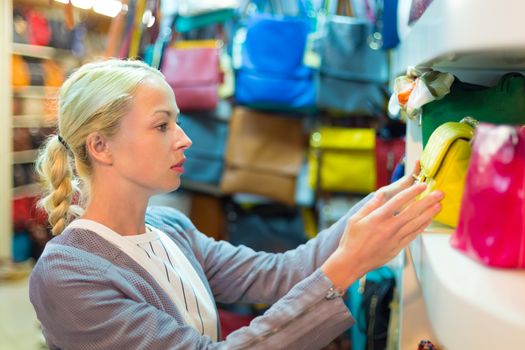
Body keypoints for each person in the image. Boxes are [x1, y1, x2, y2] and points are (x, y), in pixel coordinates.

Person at [29, 59, 443, 350]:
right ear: (101, 146)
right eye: (162, 125)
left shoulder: (171, 227)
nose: (184, 138)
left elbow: (282, 273)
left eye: (177, 120)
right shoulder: (68, 276)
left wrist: (384, 199)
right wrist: (347, 267)